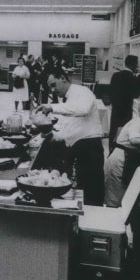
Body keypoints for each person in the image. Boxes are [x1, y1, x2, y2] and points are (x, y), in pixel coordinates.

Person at [37, 67, 106, 207]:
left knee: (91, 193)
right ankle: (80, 222)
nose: (52, 90)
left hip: (90, 149)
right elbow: (69, 129)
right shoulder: (68, 101)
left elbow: (82, 110)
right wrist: (50, 134)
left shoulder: (82, 92)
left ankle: (91, 223)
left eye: (53, 85)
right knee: (80, 190)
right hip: (79, 149)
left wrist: (52, 107)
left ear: (63, 78)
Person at [108, 54, 140, 150]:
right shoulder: (133, 78)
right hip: (126, 112)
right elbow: (137, 94)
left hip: (115, 110)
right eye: (137, 64)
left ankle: (111, 151)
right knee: (124, 133)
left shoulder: (115, 75)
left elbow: (110, 92)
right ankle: (120, 150)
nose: (138, 66)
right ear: (133, 65)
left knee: (113, 131)